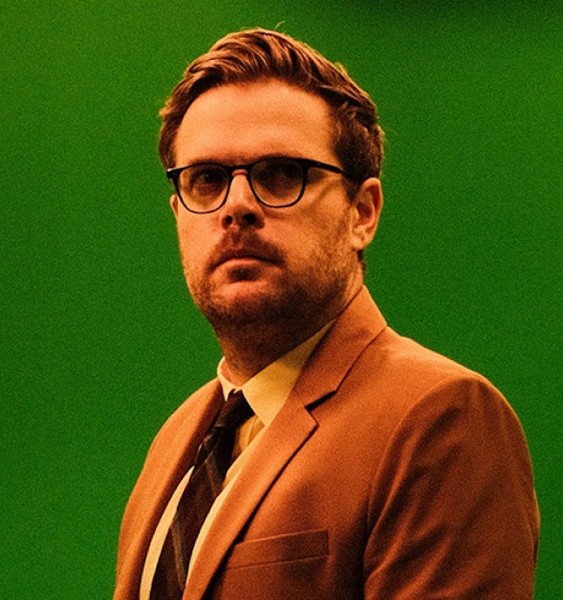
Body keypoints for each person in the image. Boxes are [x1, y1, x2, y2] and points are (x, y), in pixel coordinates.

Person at [114, 28, 539, 600]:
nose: (236, 206)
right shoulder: (177, 440)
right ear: (178, 212)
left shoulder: (441, 419)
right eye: (206, 180)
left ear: (362, 212)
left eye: (280, 174)